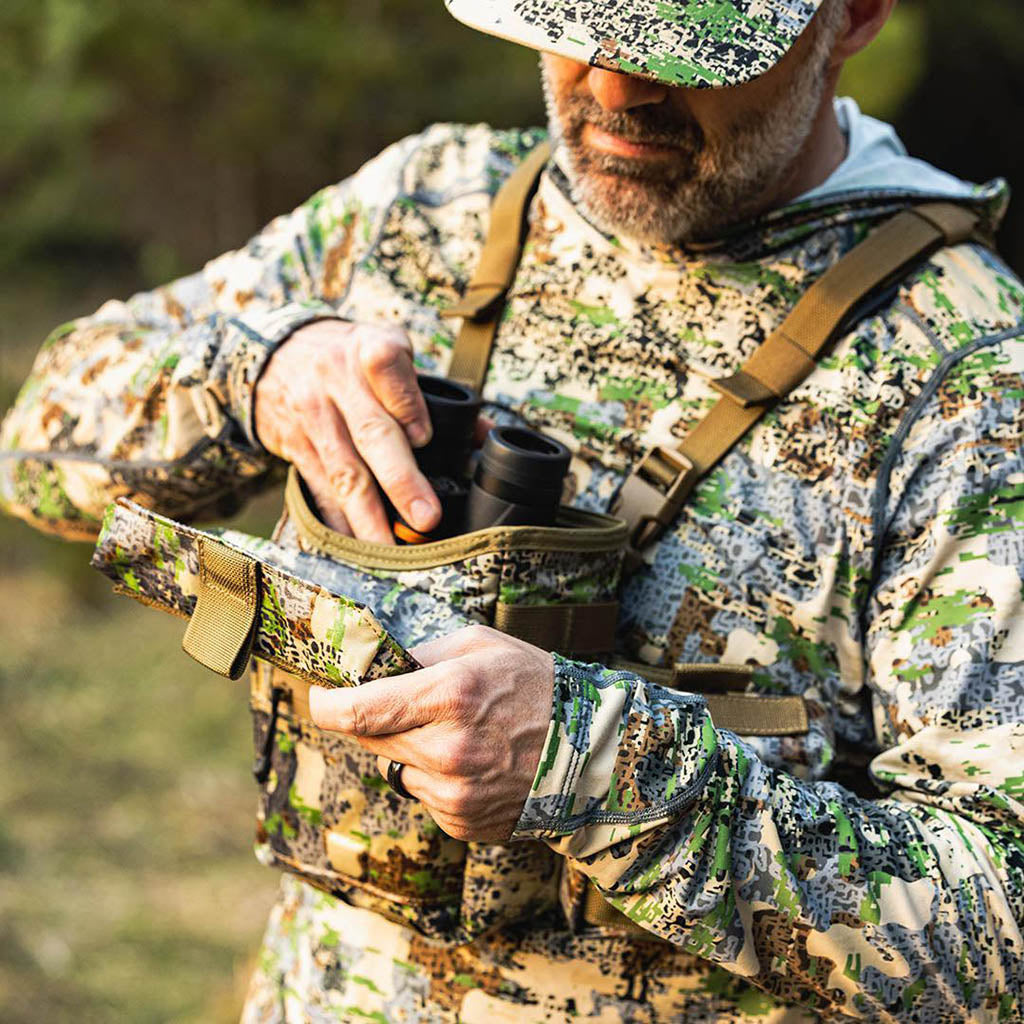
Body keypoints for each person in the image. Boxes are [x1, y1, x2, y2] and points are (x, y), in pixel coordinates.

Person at [2, 0, 1022, 1019]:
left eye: (689, 50)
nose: (616, 86)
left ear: (850, 20)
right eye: (574, 22)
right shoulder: (429, 203)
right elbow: (36, 456)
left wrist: (603, 768)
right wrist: (252, 378)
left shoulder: (971, 377)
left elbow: (1002, 936)